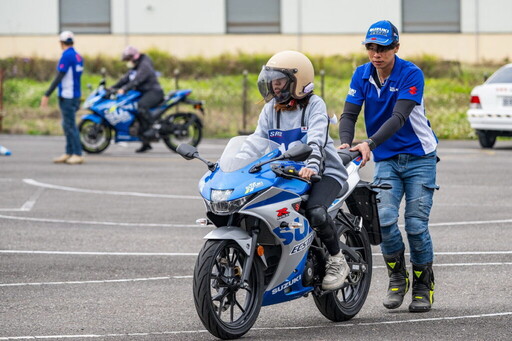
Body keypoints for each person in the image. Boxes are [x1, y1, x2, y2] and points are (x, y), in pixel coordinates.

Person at [338, 20, 439, 312]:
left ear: (396, 47)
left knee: (416, 226)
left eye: (382, 48)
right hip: (387, 159)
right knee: (383, 221)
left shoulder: (411, 73)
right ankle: (398, 279)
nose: (376, 54)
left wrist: (368, 143)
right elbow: (349, 114)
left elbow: (399, 117)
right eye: (371, 47)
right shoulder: (361, 74)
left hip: (420, 157)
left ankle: (423, 284)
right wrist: (346, 142)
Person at [253, 50, 350, 290]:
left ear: (299, 82)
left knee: (316, 212)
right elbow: (255, 143)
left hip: (323, 172)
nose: (275, 86)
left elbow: (316, 140)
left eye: (280, 80)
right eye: (272, 80)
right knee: (263, 212)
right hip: (286, 174)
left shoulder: (314, 105)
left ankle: (338, 260)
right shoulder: (270, 109)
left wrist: (311, 165)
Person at [40, 31, 84, 165]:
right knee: (67, 124)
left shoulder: (66, 56)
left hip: (67, 95)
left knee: (70, 125)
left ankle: (77, 153)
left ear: (61, 43)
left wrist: (47, 94)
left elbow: (59, 76)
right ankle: (69, 152)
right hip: (75, 94)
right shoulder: (78, 56)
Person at [111, 46, 164, 153]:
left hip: (154, 92)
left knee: (141, 106)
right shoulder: (136, 66)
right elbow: (125, 79)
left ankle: (152, 128)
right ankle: (146, 143)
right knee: (137, 113)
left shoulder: (144, 65)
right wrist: (113, 88)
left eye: (127, 59)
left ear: (133, 57)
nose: (127, 62)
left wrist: (124, 89)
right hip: (144, 92)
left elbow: (137, 80)